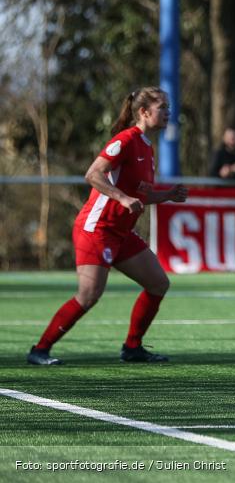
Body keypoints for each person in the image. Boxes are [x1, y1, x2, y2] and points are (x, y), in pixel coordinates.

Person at [27, 87, 189, 366]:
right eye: (162, 107)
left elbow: (142, 194)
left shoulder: (147, 148)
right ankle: (39, 350)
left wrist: (168, 195)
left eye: (168, 107)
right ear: (144, 112)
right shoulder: (125, 140)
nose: (168, 113)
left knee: (158, 283)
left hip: (121, 232)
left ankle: (133, 347)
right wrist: (123, 198)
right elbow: (93, 174)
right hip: (97, 228)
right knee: (89, 295)